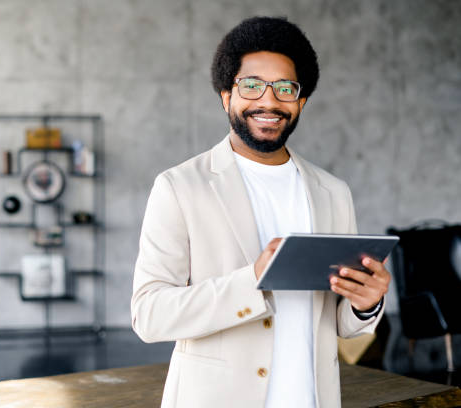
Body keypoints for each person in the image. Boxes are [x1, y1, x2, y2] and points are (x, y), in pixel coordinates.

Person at [131, 16, 390, 408]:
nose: (269, 101)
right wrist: (251, 280)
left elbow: (341, 324)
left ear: (300, 102)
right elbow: (149, 315)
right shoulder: (180, 187)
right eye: (251, 86)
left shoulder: (334, 193)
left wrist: (365, 301)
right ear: (225, 96)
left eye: (285, 89)